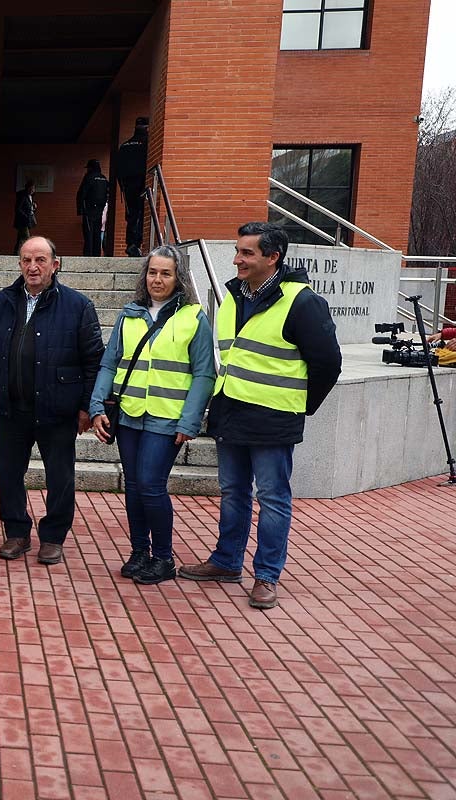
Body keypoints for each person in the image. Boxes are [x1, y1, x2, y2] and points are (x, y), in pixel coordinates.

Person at [179, 222, 341, 609]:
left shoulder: (302, 302)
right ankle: (226, 561)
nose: (237, 259)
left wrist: (301, 405)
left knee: (272, 498)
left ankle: (267, 575)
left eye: (247, 253)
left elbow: (328, 363)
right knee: (233, 493)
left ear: (273, 257)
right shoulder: (233, 295)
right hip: (232, 412)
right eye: (238, 251)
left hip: (273, 419)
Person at [88, 245, 215, 584]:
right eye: (153, 272)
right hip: (129, 414)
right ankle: (138, 552)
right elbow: (109, 362)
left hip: (167, 418)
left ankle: (163, 558)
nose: (157, 279)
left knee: (150, 485)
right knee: (133, 486)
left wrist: (190, 420)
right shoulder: (130, 314)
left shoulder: (193, 318)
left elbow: (204, 374)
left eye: (166, 273)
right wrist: (97, 405)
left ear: (179, 278)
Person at [0, 236, 104, 565]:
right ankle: (16, 532)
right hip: (11, 408)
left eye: (40, 260)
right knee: (8, 473)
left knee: (60, 476)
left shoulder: (78, 305)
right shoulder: (1, 302)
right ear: (19, 264)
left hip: (57, 409)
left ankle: (53, 537)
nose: (33, 267)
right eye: (26, 260)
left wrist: (88, 406)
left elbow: (94, 361)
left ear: (55, 265)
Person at [115, 117, 149, 257]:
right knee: (141, 214)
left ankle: (130, 243)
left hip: (127, 185)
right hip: (142, 184)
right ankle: (136, 243)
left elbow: (118, 168)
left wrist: (122, 185)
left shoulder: (124, 145)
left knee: (131, 214)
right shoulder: (147, 143)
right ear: (147, 128)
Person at [76, 160, 110, 257]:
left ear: (90, 168)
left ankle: (88, 254)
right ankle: (96, 254)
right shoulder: (104, 178)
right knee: (97, 232)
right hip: (100, 209)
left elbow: (81, 193)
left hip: (89, 209)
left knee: (88, 232)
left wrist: (80, 209)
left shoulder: (89, 177)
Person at [13, 180, 37, 255]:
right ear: (28, 188)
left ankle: (15, 254)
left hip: (27, 221)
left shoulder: (30, 197)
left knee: (20, 239)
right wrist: (26, 216)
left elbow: (28, 208)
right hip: (22, 221)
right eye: (32, 188)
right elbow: (18, 209)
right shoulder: (23, 196)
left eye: (34, 189)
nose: (33, 190)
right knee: (27, 238)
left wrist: (33, 207)